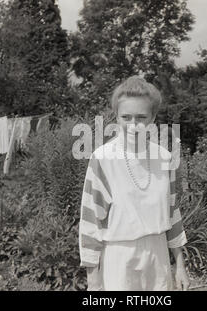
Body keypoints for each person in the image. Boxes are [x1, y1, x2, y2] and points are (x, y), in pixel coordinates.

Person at [78, 76, 190, 291]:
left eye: (141, 117)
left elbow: (173, 214)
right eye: (126, 117)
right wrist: (93, 278)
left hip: (157, 256)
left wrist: (180, 266)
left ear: (152, 118)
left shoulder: (165, 158)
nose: (133, 125)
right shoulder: (103, 158)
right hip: (119, 258)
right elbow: (91, 221)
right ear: (116, 117)